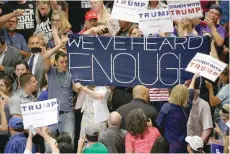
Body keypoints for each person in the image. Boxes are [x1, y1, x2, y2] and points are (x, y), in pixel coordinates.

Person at [43, 37, 80, 146]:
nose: (65, 64)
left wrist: (80, 86)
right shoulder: (51, 71)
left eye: (66, 62)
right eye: (62, 62)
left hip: (67, 114)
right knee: (49, 146)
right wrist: (59, 46)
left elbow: (76, 89)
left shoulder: (70, 72)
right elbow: (45, 56)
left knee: (68, 145)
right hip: (51, 113)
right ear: (55, 62)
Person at [156, 84, 190, 153]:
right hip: (182, 142)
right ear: (186, 96)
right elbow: (191, 94)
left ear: (173, 93)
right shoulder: (186, 108)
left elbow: (159, 123)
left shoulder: (166, 107)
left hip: (168, 142)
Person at [185, 76, 213, 143]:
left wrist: (198, 144)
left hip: (195, 144)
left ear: (194, 91)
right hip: (183, 142)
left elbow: (207, 128)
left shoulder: (204, 105)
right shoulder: (183, 103)